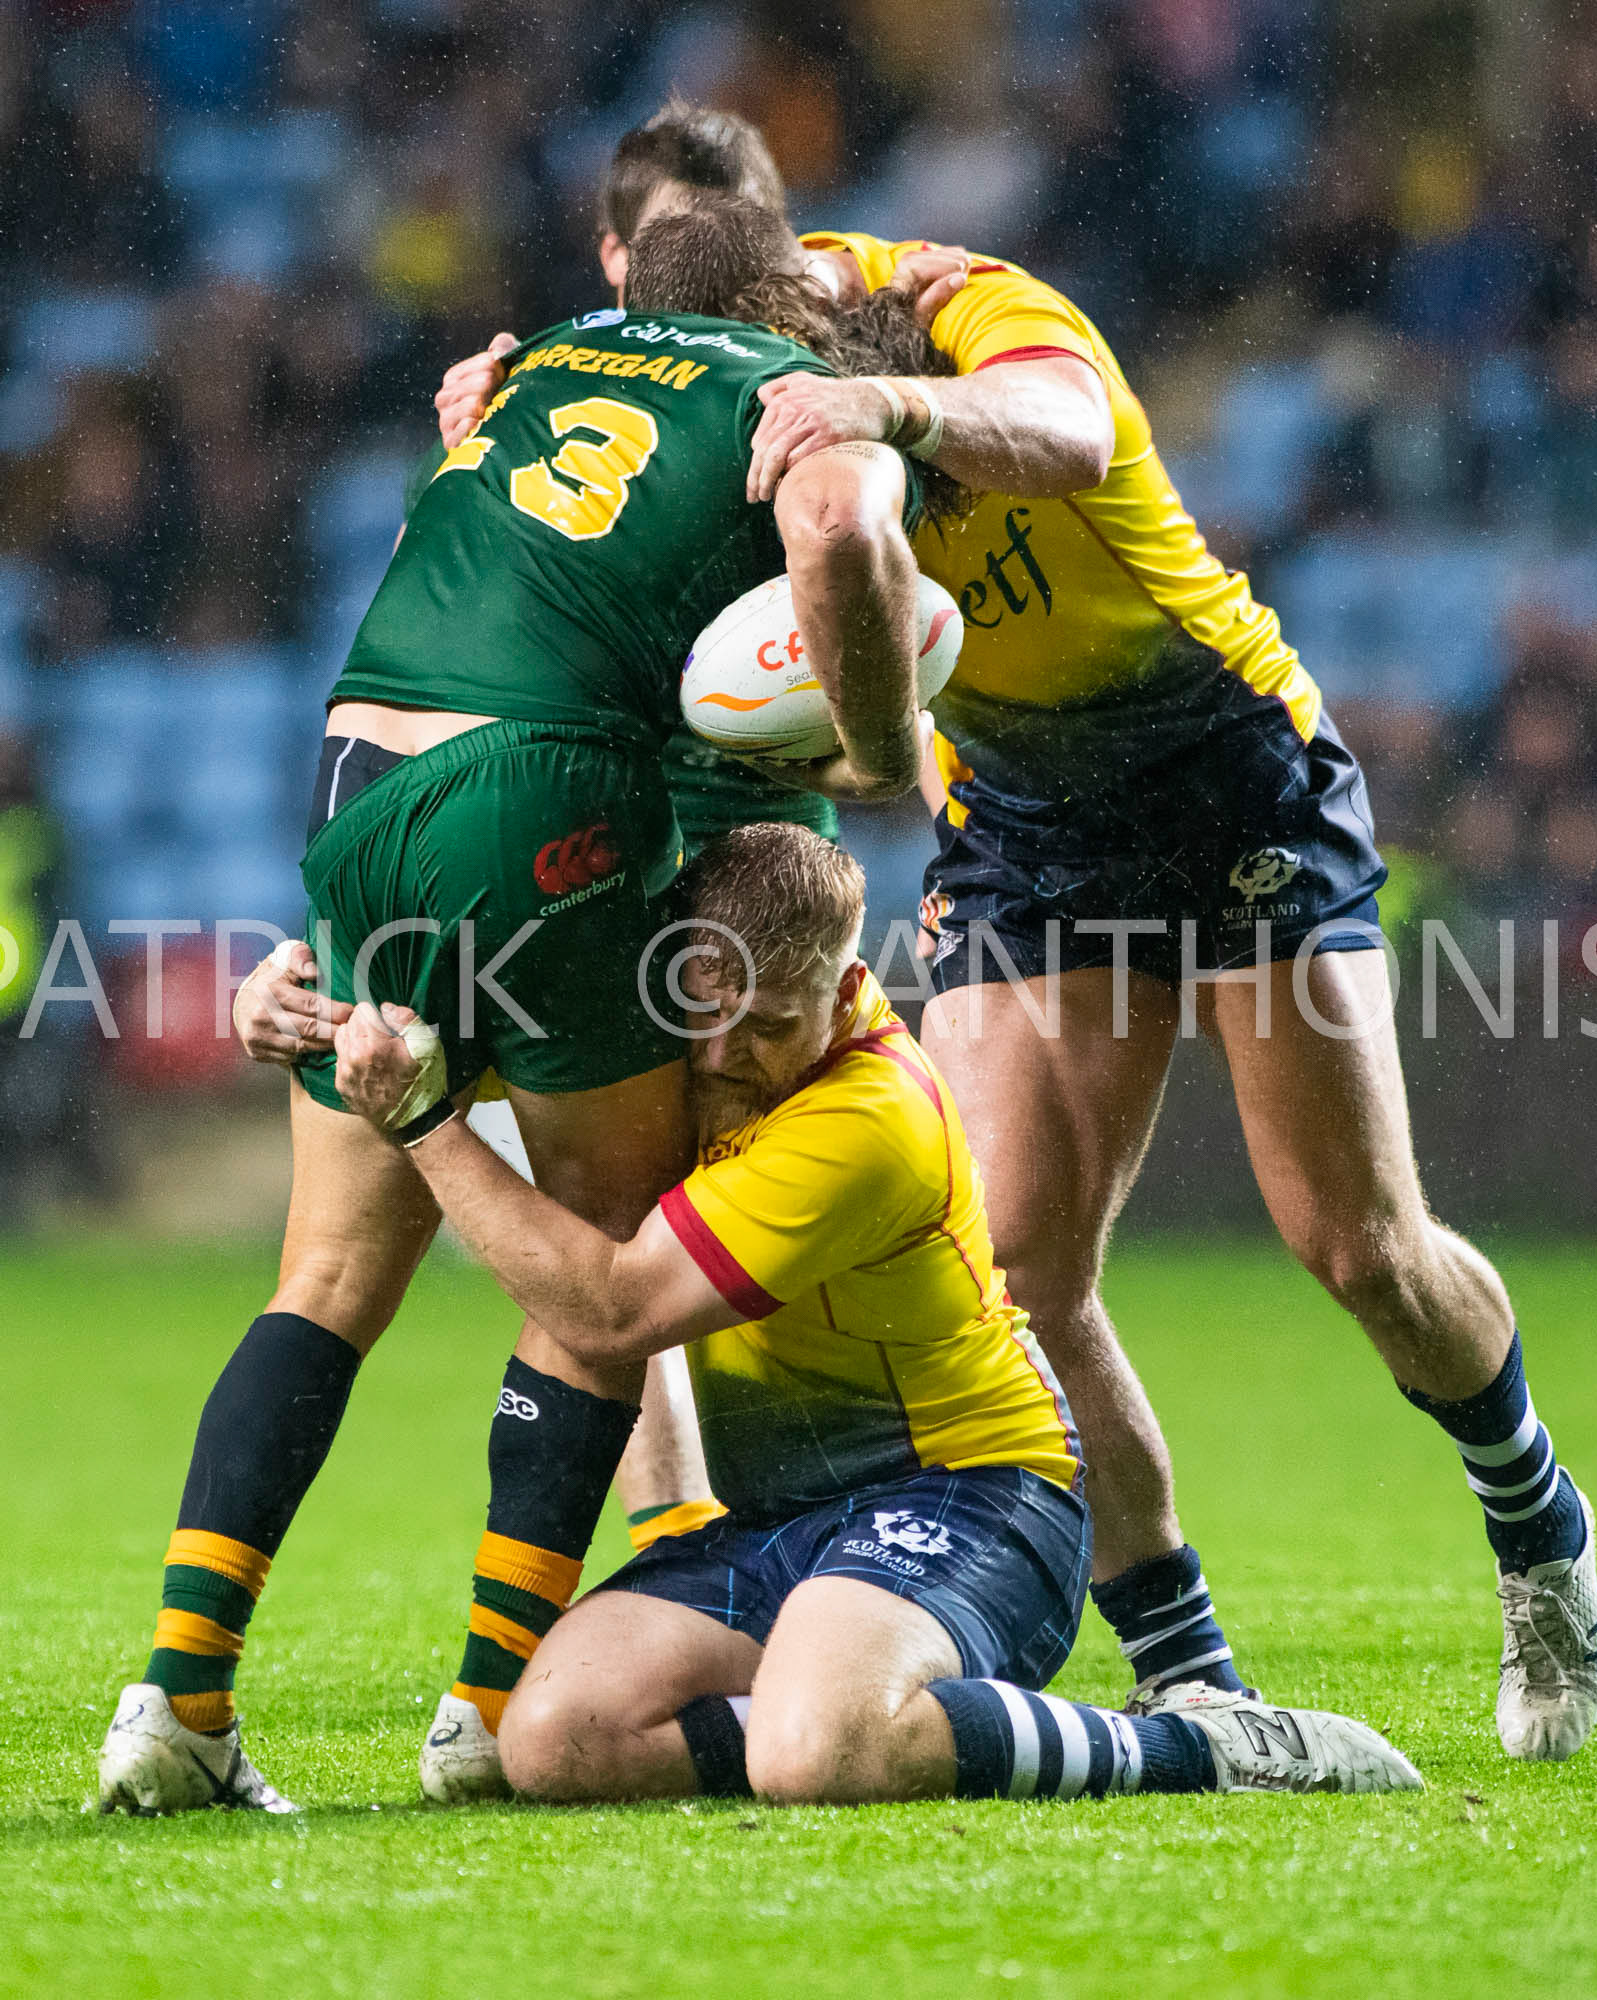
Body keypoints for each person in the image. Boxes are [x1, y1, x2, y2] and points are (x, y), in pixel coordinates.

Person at [434, 105, 1597, 1761]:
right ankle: (1188, 1674)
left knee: (1354, 1243)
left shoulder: (952, 306)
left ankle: (1533, 1526)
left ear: (815, 310)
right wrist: (500, 406)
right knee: (1017, 1267)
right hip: (1032, 821)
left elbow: (1058, 429)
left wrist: (882, 408)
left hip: (1230, 770)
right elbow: (597, 445)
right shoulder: (709, 362)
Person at [95, 198, 949, 1816]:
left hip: (358, 776)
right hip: (540, 784)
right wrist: (883, 751)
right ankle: (488, 1709)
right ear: (784, 303)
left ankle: (178, 1704)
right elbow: (838, 536)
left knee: (326, 1276)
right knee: (596, 1274)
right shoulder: (788, 399)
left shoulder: (533, 366)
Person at [327, 821, 1423, 1808]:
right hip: (774, 1522)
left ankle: (1207, 1746)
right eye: (702, 1016)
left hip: (975, 1495)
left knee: (813, 1760)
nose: (719, 1056)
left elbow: (614, 1312)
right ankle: (842, 1698)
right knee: (556, 1738)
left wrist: (422, 1124)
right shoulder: (704, 1035)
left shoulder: (865, 1120)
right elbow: (465, 1036)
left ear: (844, 982)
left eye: (763, 1025)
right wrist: (298, 1011)